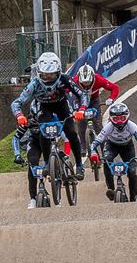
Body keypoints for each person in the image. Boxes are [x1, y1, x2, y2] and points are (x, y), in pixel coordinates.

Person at [12, 52, 90, 201]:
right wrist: (19, 115)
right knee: (44, 130)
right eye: (44, 75)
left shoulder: (65, 79)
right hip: (44, 108)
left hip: (62, 106)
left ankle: (79, 164)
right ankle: (48, 162)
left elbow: (83, 94)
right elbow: (16, 103)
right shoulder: (34, 84)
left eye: (51, 75)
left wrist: (82, 109)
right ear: (39, 73)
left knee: (71, 132)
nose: (48, 78)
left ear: (58, 72)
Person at [90, 102, 137, 202]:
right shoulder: (108, 127)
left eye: (122, 118)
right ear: (111, 119)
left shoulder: (132, 126)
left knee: (132, 171)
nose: (119, 122)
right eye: (116, 119)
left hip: (127, 147)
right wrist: (93, 152)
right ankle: (111, 189)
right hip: (111, 146)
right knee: (107, 161)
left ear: (127, 117)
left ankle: (133, 197)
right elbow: (96, 141)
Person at [72, 63, 121, 163]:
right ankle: (83, 147)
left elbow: (115, 87)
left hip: (94, 101)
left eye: (88, 82)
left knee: (98, 126)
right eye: (83, 83)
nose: (86, 85)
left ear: (93, 78)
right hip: (79, 101)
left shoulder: (99, 79)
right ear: (79, 79)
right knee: (81, 123)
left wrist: (111, 98)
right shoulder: (75, 80)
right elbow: (64, 89)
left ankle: (104, 150)